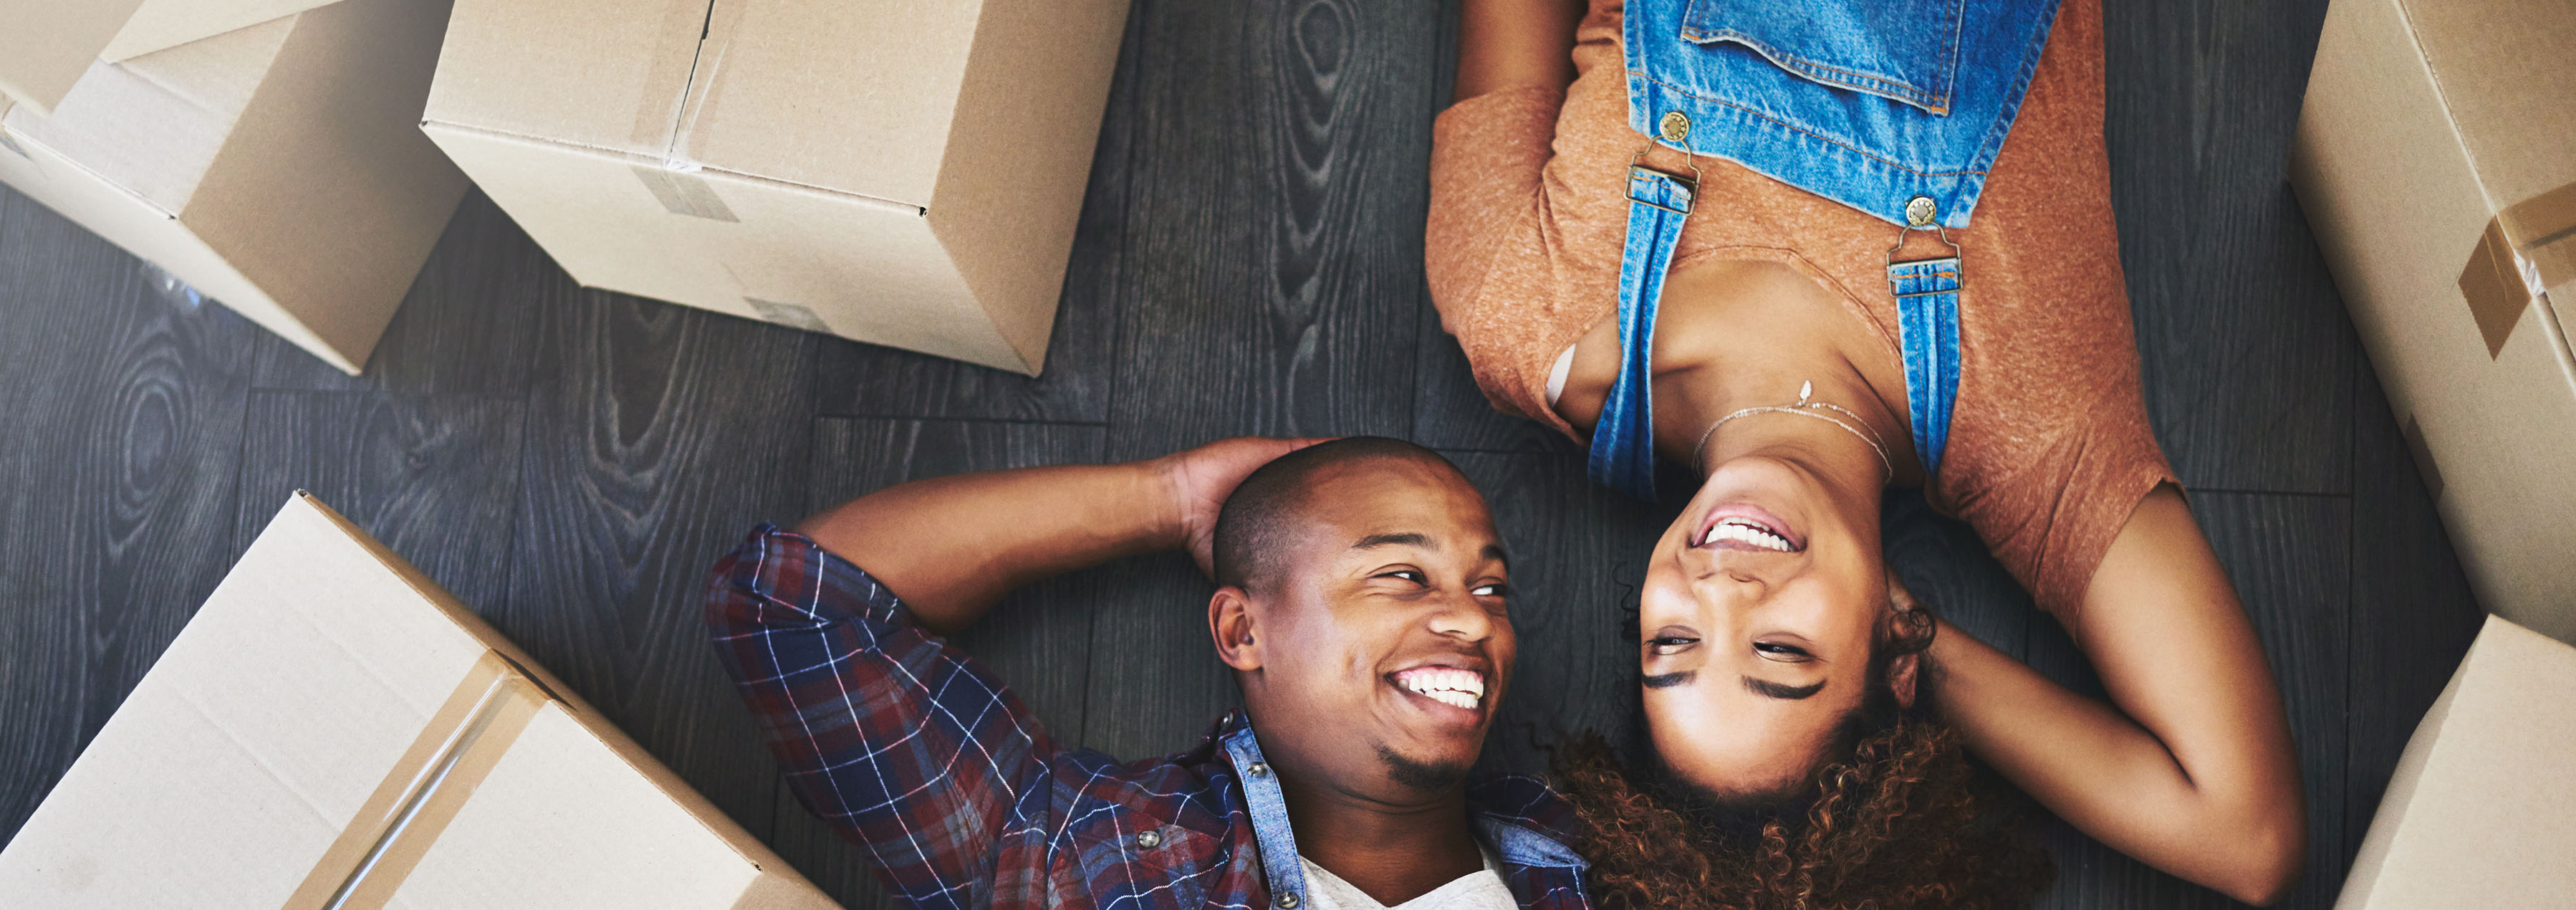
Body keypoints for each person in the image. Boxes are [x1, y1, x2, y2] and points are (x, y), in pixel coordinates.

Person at [1430, 0, 2307, 905]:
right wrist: (1919, 637)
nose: (1721, 592)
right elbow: (2244, 835)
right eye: (1779, 651)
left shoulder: (1518, 312)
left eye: (1674, 640)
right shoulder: (2031, 428)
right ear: (1893, 662)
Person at [706, 436, 1596, 909]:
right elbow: (795, 605)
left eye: (1490, 588)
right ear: (1242, 629)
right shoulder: (1078, 854)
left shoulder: (1621, 867)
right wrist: (1167, 498)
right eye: (1402, 575)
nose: (1473, 618)